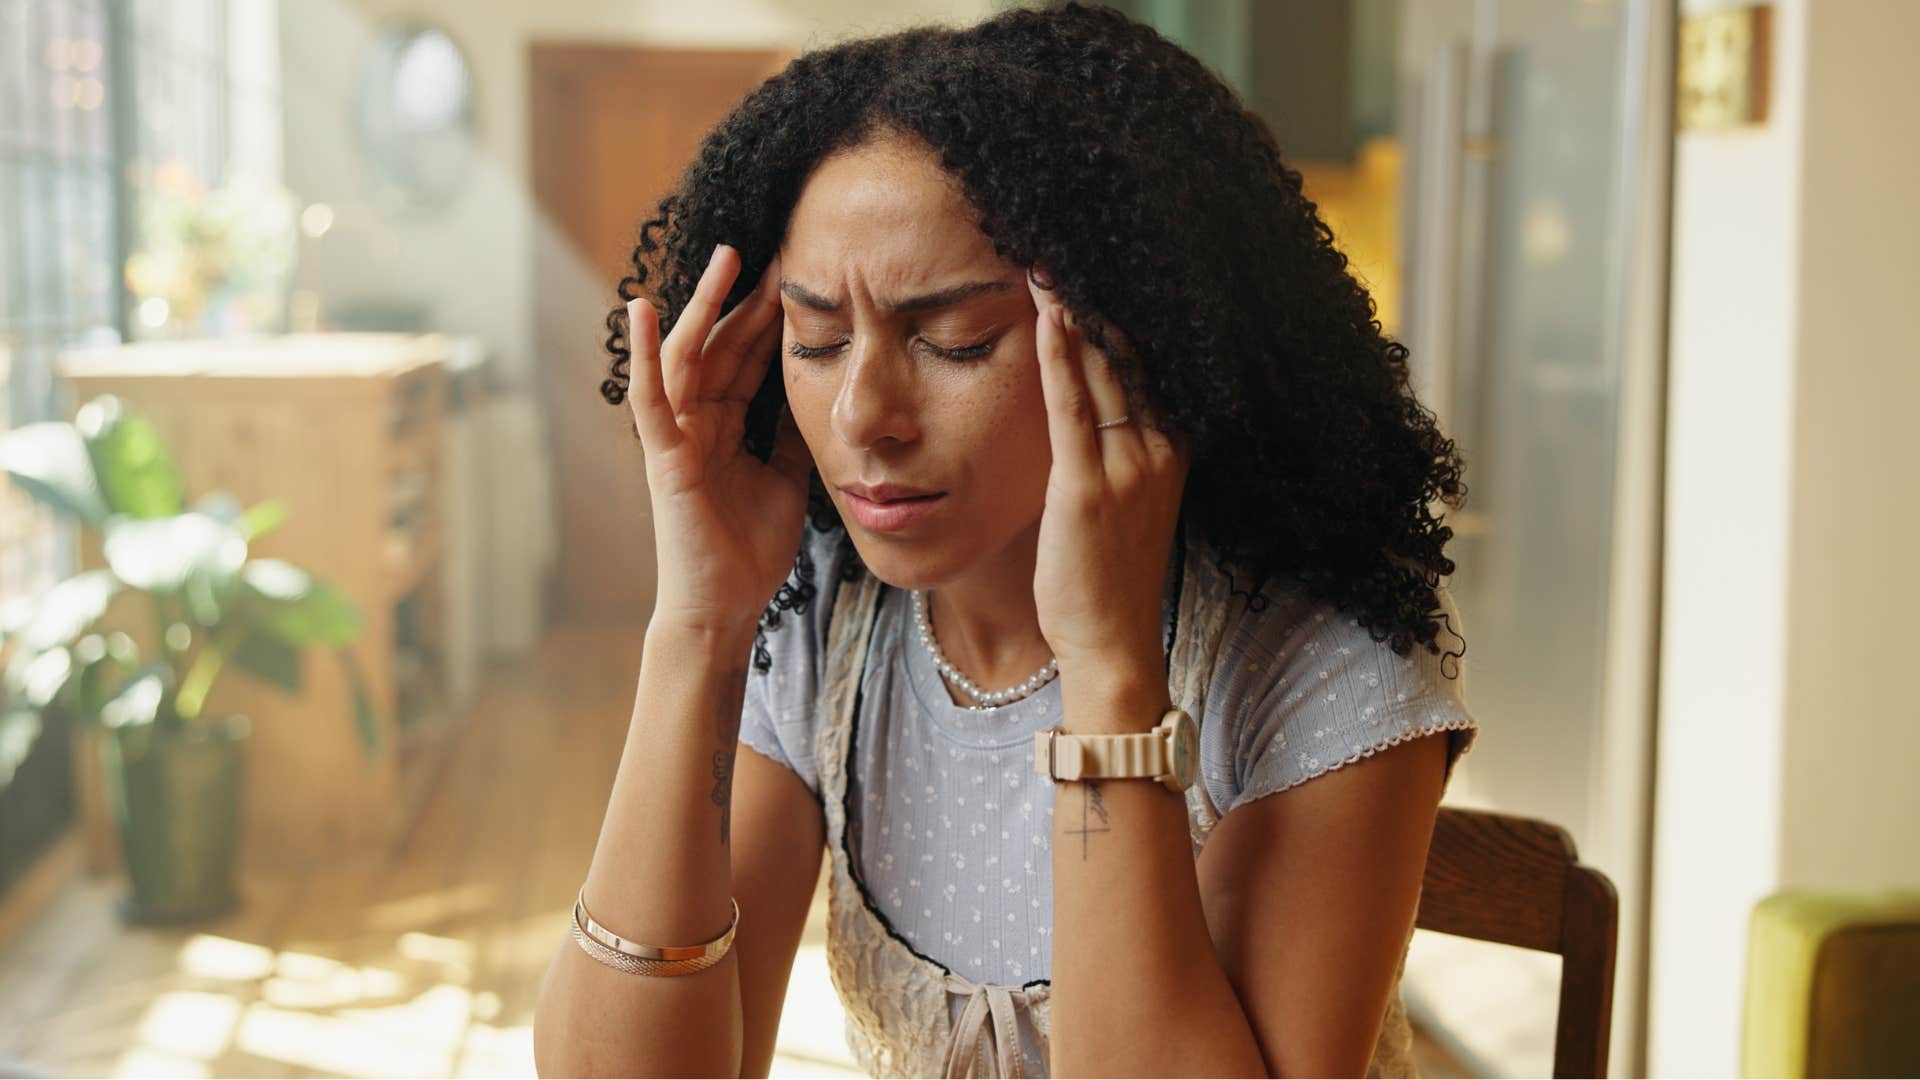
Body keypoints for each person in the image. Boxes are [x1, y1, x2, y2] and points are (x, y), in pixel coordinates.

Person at [533, 4, 1477, 1077]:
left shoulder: (1317, 658)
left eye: (954, 341)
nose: (862, 416)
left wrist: (1113, 665)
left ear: (1131, 346)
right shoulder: (824, 617)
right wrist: (698, 627)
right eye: (818, 339)